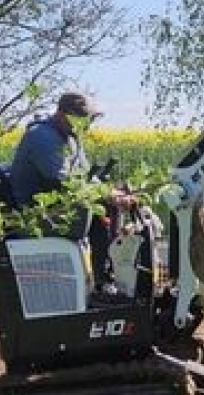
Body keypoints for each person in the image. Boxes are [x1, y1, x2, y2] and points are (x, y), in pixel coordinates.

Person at [8, 92, 132, 279]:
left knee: (105, 211)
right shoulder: (42, 137)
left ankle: (104, 279)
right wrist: (108, 195)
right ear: (62, 115)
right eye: (82, 119)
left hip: (57, 209)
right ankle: (102, 282)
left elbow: (86, 177)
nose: (86, 125)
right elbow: (67, 182)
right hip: (36, 217)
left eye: (88, 120)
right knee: (97, 210)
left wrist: (114, 193)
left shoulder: (69, 136)